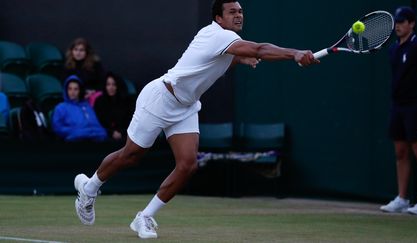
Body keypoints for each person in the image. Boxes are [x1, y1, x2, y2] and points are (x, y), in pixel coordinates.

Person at [73, 0, 318, 239]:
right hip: (160, 98)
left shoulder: (226, 42)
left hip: (186, 107)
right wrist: (294, 53)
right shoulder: (218, 35)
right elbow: (259, 49)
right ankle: (89, 188)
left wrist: (239, 59)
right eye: (232, 12)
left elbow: (216, 62)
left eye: (241, 11)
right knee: (132, 154)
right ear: (218, 18)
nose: (239, 15)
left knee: (188, 164)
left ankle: (144, 217)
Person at [380, 6, 417, 215]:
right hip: (398, 106)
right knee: (400, 152)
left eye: (403, 22)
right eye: (397, 22)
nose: (398, 26)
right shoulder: (393, 48)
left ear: (412, 24)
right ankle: (402, 198)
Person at [51, 75, 107, 142]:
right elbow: (57, 128)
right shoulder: (60, 107)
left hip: (95, 139)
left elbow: (96, 125)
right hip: (75, 143)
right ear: (66, 90)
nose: (72, 92)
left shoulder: (87, 106)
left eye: (76, 89)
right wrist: (74, 131)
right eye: (70, 89)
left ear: (80, 90)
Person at [63, 37, 106, 105]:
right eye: (76, 50)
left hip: (92, 95)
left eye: (81, 50)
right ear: (72, 51)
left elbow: (102, 81)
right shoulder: (68, 65)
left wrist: (93, 91)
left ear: (87, 52)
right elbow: (66, 84)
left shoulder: (95, 64)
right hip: (74, 96)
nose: (78, 53)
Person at [93, 72, 133, 141]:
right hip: (105, 138)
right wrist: (111, 132)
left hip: (125, 136)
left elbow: (130, 120)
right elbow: (99, 121)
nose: (111, 87)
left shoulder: (126, 102)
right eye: (108, 84)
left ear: (118, 86)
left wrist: (121, 133)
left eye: (114, 84)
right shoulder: (99, 101)